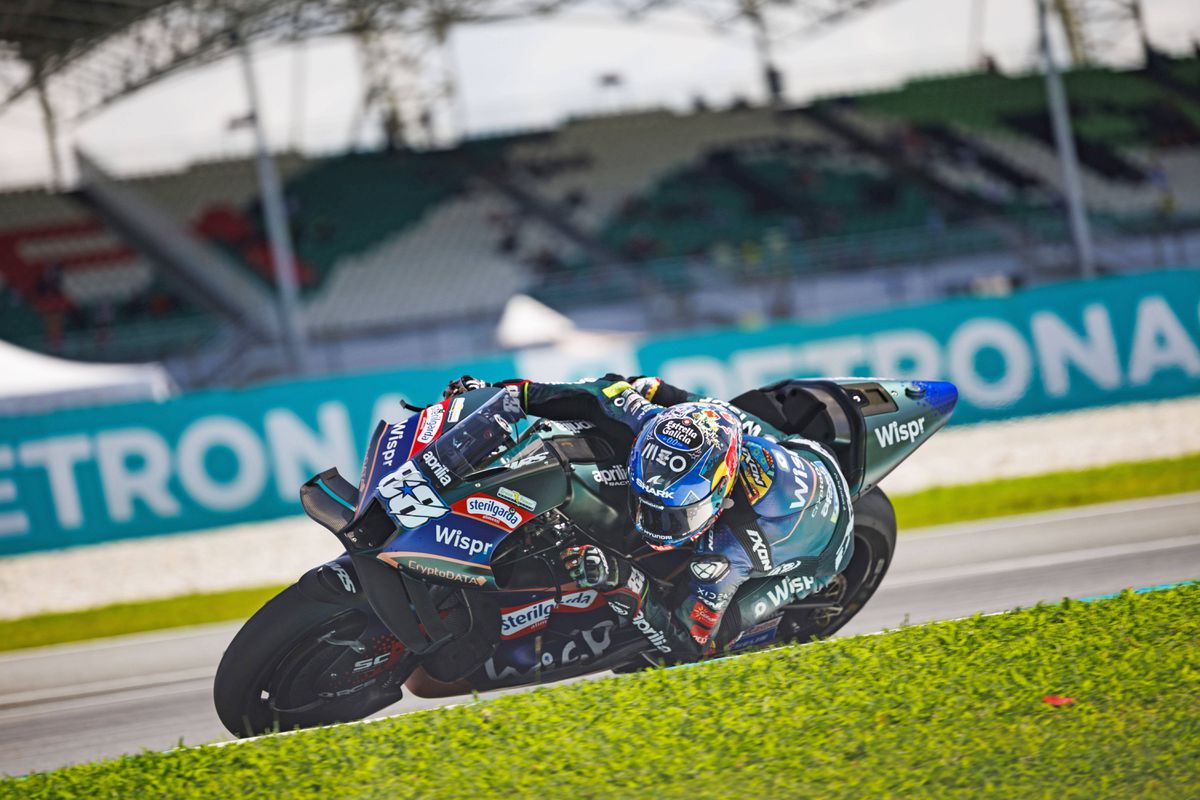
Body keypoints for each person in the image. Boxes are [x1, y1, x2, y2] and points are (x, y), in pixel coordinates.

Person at [444, 374, 855, 661]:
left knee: (712, 642)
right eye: (649, 506)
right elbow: (600, 392)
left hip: (825, 549)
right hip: (786, 447)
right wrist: (501, 396)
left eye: (675, 516)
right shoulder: (660, 423)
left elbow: (686, 640)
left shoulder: (728, 552)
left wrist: (621, 578)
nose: (654, 525)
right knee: (640, 386)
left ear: (720, 493)